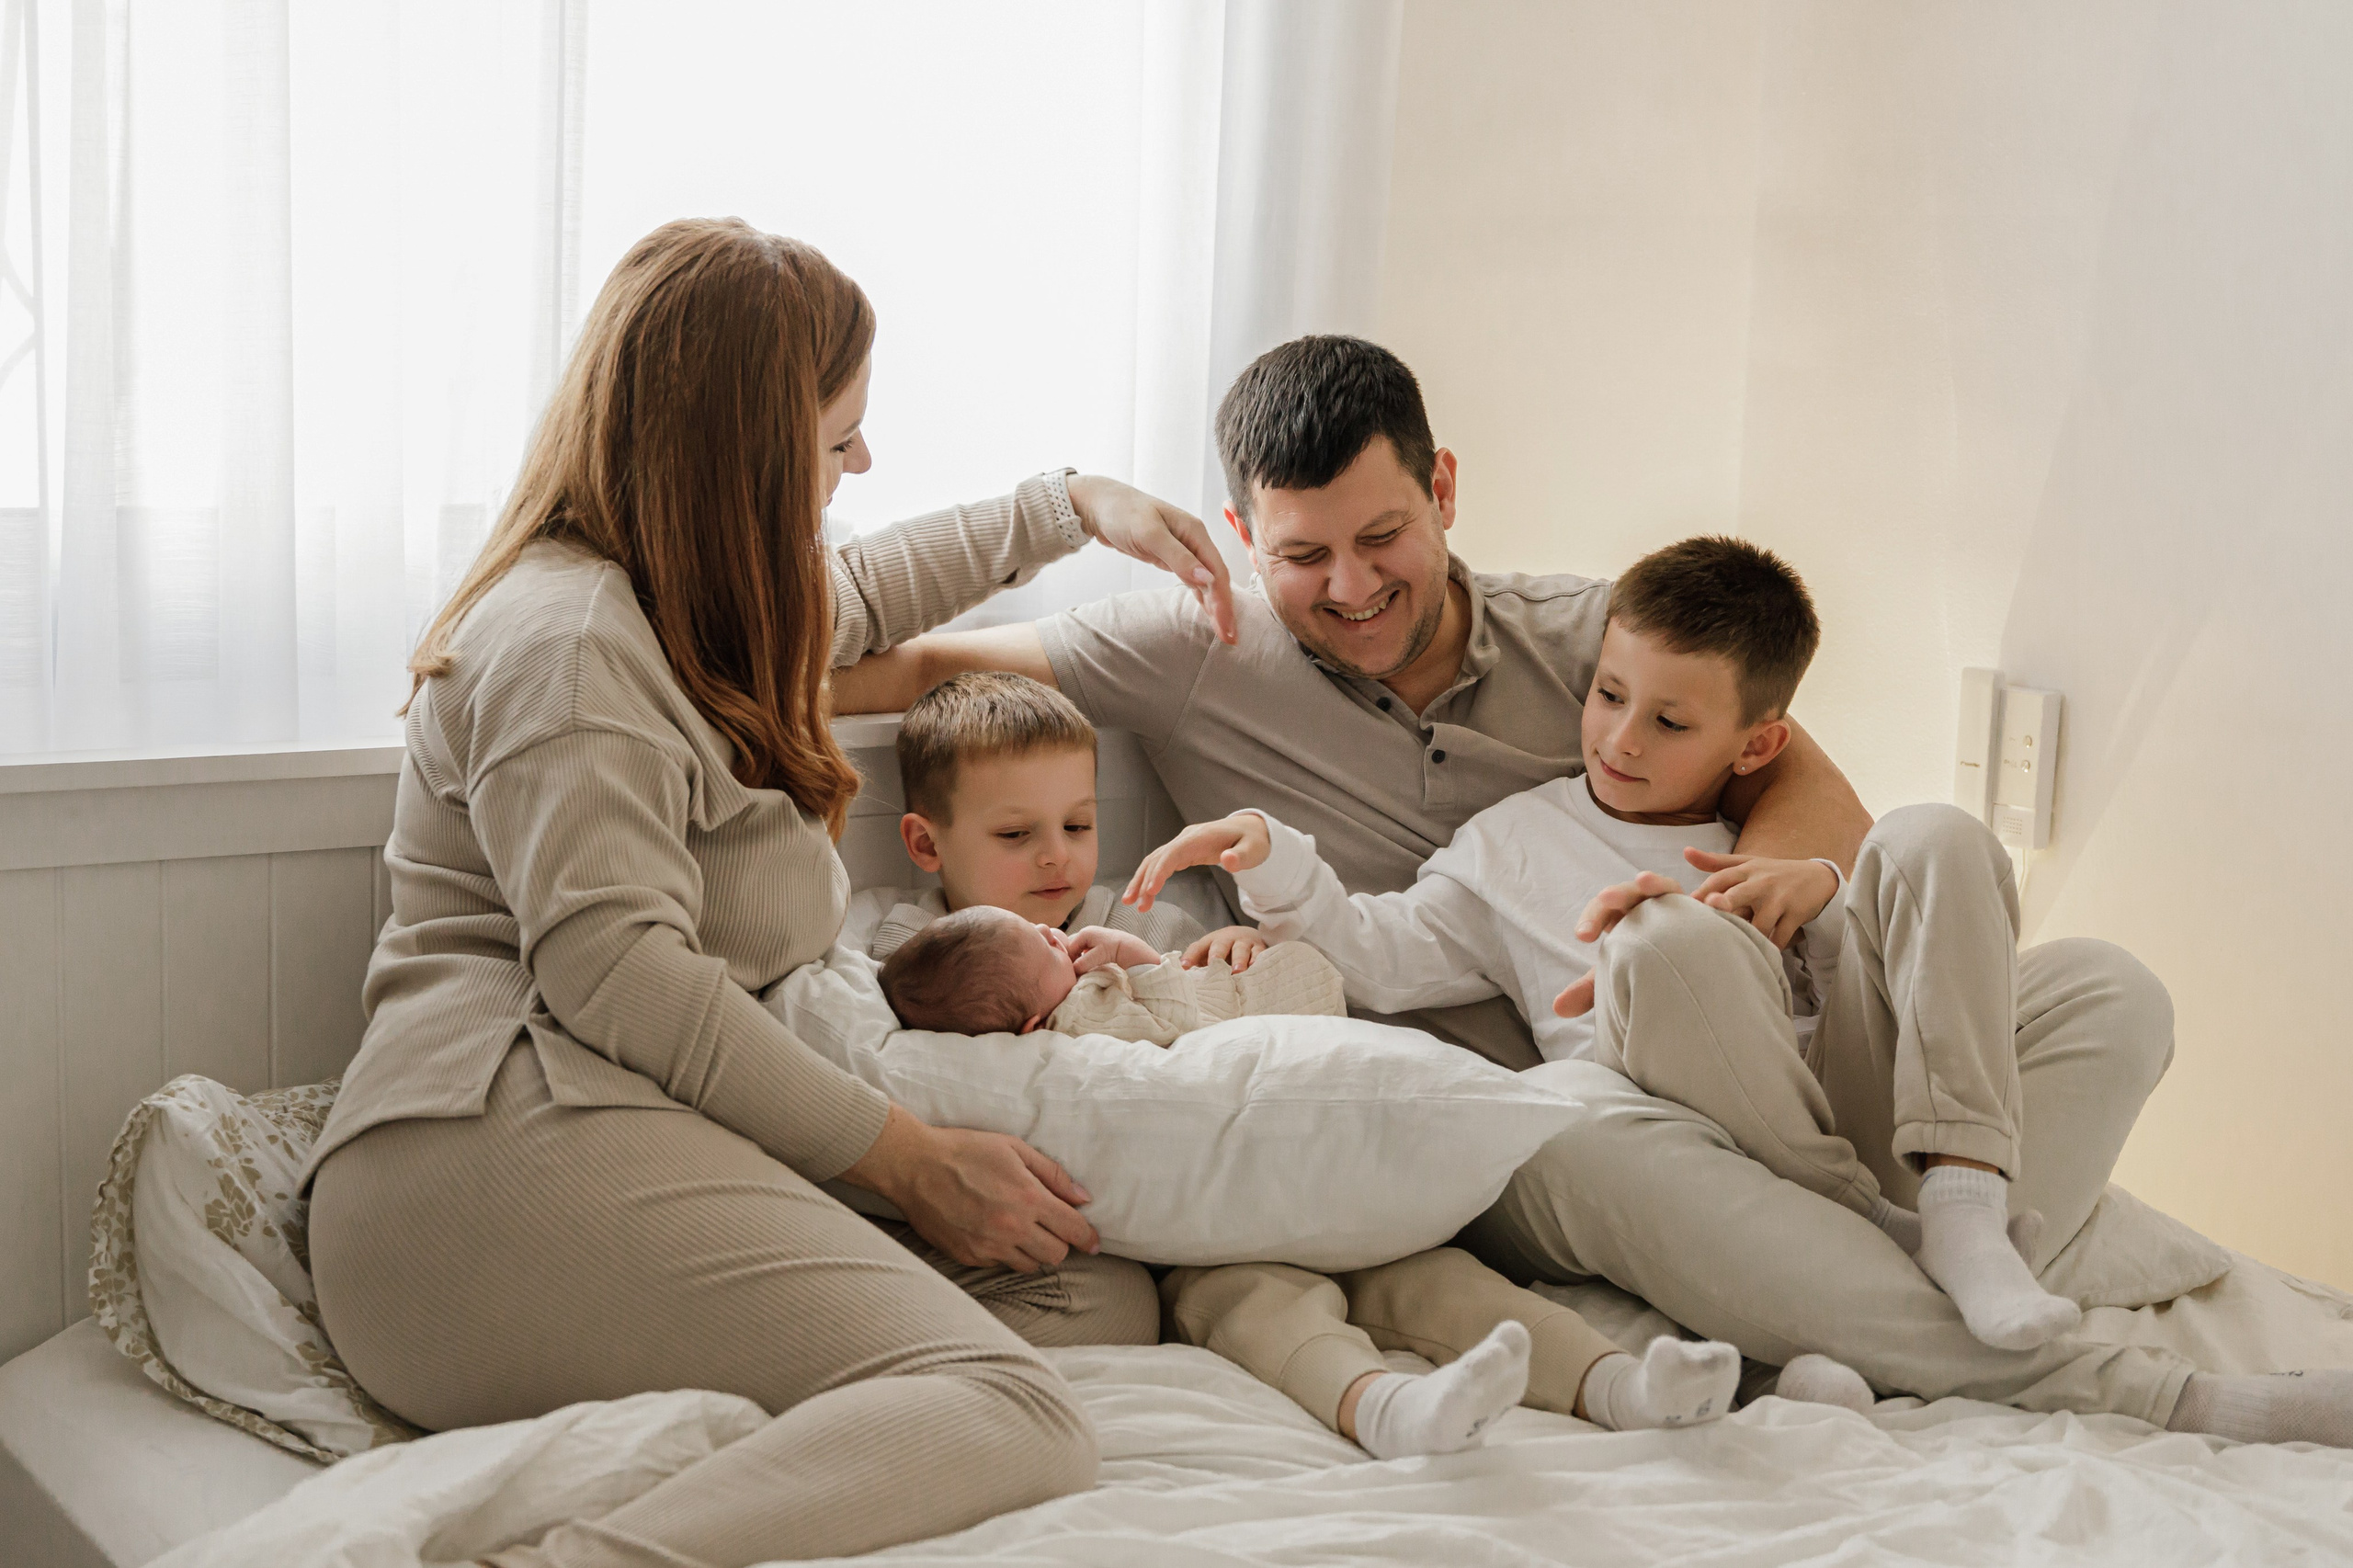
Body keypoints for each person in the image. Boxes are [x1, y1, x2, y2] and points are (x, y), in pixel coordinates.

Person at [833, 333, 2343, 1439]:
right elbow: (875, 667)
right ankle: (2167, 1390)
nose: (1351, 588)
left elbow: (1794, 768)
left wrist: (1774, 878)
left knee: (2105, 993)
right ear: (1240, 537)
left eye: (1385, 537)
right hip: (1549, 1106)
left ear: (1443, 490)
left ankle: (1903, 1241)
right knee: (1625, 1080)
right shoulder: (1185, 643)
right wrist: (1054, 510)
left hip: (1778, 1049)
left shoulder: (1596, 645)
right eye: (1304, 558)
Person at [301, 218, 1251, 1567]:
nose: (859, 465)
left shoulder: (686, 600)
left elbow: (856, 587)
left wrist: (1072, 501)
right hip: (485, 1151)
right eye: (835, 439)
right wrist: (911, 1159)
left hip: (616, 1116)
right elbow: (617, 976)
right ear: (740, 456)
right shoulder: (571, 644)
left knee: (1089, 1297)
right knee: (1016, 1406)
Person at [1130, 534, 2088, 1355]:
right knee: (1664, 938)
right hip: (1690, 1142)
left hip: (1847, 1115)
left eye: (1668, 721)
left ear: (1755, 747)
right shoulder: (1509, 844)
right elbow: (1376, 955)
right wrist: (1272, 857)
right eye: (1606, 695)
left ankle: (1961, 1208)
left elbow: (1873, 1011)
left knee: (1955, 846)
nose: (1619, 738)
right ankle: (1877, 1237)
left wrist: (1828, 892)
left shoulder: (1775, 846)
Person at [878, 906, 1780, 1455]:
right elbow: (1145, 1036)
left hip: (1333, 1201)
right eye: (1045, 946)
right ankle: (1383, 1406)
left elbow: (1255, 1000)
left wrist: (1153, 956)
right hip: (1210, 1244)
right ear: (1032, 1014)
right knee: (1265, 1311)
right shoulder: (1068, 1034)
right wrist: (1132, 974)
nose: (1064, 938)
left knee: (1451, 1283)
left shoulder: (1113, 966)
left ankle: (1621, 1382)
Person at [844, 671, 1233, 963]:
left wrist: (1237, 952)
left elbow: (1219, 1002)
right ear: (926, 844)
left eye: (1076, 826)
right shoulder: (916, 949)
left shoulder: (1150, 927)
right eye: (1015, 834)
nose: (1057, 855)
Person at [878, 905, 1340, 1041]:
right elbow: (1173, 1021)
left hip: (1235, 977)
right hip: (1282, 1003)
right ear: (1032, 1026)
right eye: (1046, 946)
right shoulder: (1077, 1019)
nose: (1049, 928)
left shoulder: (1053, 997)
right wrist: (1129, 950)